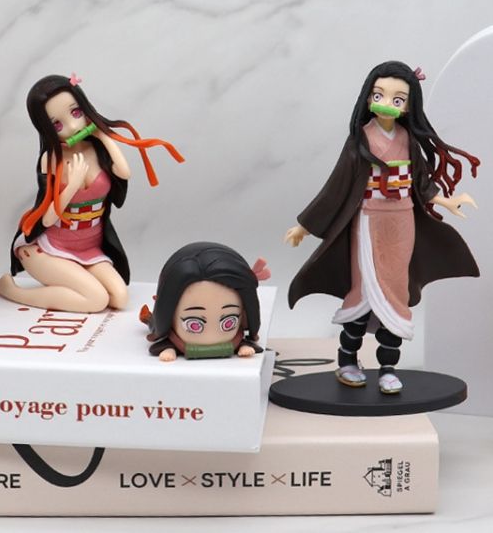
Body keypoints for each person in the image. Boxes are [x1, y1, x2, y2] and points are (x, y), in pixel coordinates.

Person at [285, 61, 479, 393]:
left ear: (408, 106)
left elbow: (421, 182)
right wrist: (305, 225)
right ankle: (348, 360)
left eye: (397, 99)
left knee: (395, 293)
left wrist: (446, 200)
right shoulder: (360, 140)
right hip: (367, 222)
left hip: (402, 222)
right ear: (368, 97)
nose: (387, 103)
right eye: (379, 95)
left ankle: (388, 367)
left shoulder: (407, 139)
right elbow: (336, 186)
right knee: (364, 290)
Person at [0, 73, 183, 313]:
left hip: (89, 247)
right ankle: (12, 290)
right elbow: (47, 219)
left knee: (120, 298)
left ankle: (77, 280)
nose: (73, 127)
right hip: (48, 249)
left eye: (76, 112)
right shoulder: (51, 159)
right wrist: (72, 185)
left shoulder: (98, 149)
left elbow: (124, 173)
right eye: (57, 124)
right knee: (96, 300)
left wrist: (104, 135)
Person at [141, 241, 268, 361]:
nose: (212, 336)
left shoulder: (237, 339)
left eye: (229, 322)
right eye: (193, 324)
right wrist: (170, 349)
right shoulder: (176, 338)